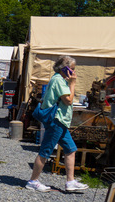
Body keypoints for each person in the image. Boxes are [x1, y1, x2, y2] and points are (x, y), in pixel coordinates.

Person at [26, 55, 88, 192]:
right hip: (57, 121)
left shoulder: (59, 79)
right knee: (45, 151)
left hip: (61, 121)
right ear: (64, 69)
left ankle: (70, 181)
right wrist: (73, 84)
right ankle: (33, 181)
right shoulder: (59, 80)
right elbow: (68, 100)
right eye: (72, 69)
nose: (74, 72)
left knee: (71, 149)